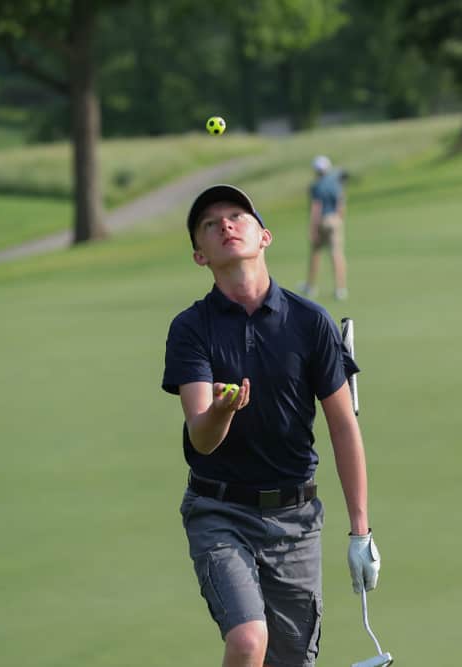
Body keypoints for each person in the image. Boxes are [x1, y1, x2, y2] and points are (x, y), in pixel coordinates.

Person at [162, 183, 381, 667]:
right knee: (247, 641)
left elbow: (343, 426)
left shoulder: (310, 322)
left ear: (264, 236)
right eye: (210, 223)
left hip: (295, 520)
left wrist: (360, 532)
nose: (225, 224)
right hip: (219, 512)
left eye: (237, 216)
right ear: (200, 256)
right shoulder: (191, 329)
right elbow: (201, 437)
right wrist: (221, 410)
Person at [300, 155, 348, 300]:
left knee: (316, 253)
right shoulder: (336, 184)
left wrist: (312, 228)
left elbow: (316, 208)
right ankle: (341, 289)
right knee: (336, 254)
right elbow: (340, 204)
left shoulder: (316, 186)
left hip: (321, 221)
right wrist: (339, 219)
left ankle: (311, 286)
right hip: (335, 220)